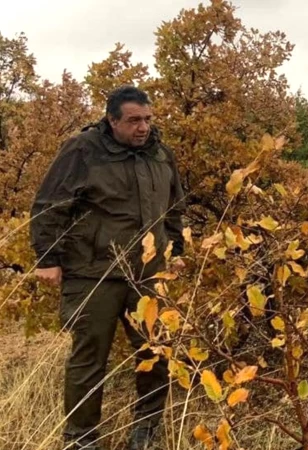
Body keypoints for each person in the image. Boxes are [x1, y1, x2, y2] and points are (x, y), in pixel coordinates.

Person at [30, 86, 186, 450]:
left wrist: (176, 249)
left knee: (155, 353)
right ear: (112, 120)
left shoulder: (162, 155)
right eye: (133, 120)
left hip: (148, 274)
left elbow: (174, 209)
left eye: (147, 119)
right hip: (92, 273)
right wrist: (47, 258)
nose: (143, 127)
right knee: (89, 359)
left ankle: (145, 433)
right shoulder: (83, 150)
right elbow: (49, 203)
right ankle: (81, 440)